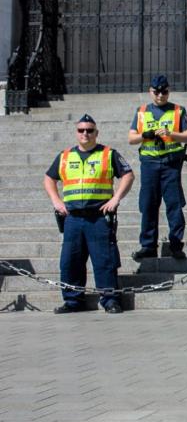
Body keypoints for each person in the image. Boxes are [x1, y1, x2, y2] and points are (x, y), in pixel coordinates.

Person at [43, 114, 134, 314]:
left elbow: (128, 174)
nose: (85, 133)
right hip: (73, 218)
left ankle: (110, 299)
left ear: (96, 133)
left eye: (89, 130)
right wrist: (56, 201)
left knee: (104, 260)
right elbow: (49, 179)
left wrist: (116, 198)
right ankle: (73, 301)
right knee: (70, 261)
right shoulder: (65, 156)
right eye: (81, 130)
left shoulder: (109, 154)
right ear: (76, 133)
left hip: (98, 216)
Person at [127, 75, 187, 260]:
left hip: (171, 163)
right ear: (150, 91)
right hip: (149, 164)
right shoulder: (141, 111)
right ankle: (148, 245)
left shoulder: (179, 111)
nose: (160, 96)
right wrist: (145, 135)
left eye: (164, 92)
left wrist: (171, 134)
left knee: (174, 205)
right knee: (148, 205)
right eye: (156, 92)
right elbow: (131, 138)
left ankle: (176, 245)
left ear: (168, 91)